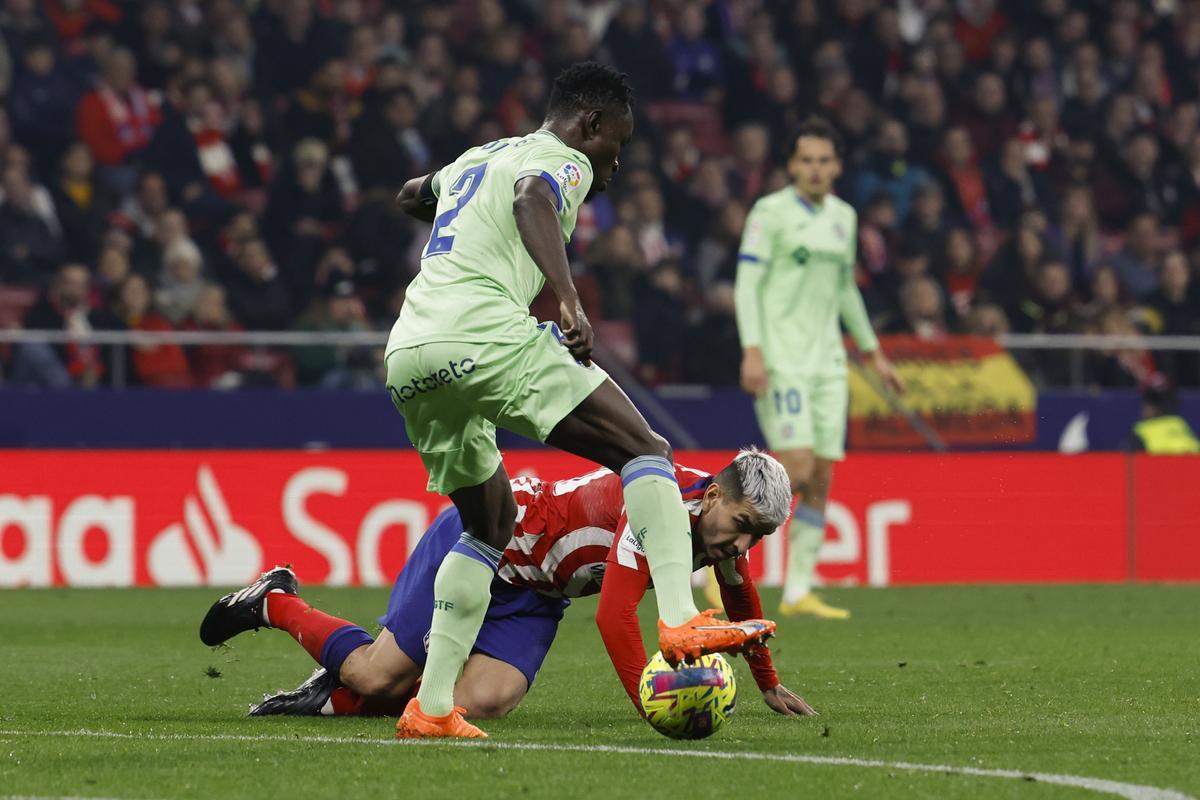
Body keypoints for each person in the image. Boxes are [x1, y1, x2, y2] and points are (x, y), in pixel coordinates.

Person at [385, 62, 775, 738]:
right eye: (615, 146)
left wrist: (447, 200)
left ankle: (433, 707)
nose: (613, 165)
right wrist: (566, 299)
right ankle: (680, 616)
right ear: (589, 123)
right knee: (645, 450)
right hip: (484, 335)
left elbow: (410, 195)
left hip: (410, 352)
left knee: (486, 525)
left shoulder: (481, 157)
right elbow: (533, 196)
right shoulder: (560, 160)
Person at [198, 452, 816, 721]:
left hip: (539, 593)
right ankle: (276, 602)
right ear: (712, 496)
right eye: (741, 527)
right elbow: (615, 618)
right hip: (488, 544)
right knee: (373, 674)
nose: (741, 547)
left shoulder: (714, 532)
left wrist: (767, 682)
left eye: (755, 537)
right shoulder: (655, 506)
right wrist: (655, 707)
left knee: (484, 701)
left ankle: (330, 697)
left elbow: (739, 593)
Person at [734, 116, 905, 621]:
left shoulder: (844, 217)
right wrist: (753, 349)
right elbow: (747, 286)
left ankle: (798, 590)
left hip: (829, 363)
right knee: (797, 468)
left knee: (823, 474)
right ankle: (719, 562)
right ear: (791, 164)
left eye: (823, 160)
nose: (814, 168)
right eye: (805, 159)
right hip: (782, 359)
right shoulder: (769, 213)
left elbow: (845, 289)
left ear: (837, 166)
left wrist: (872, 351)